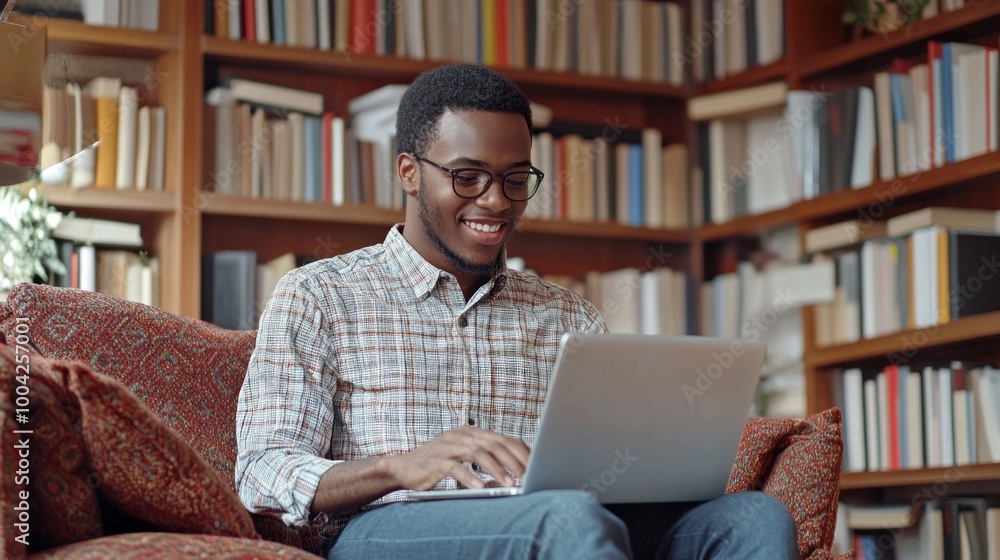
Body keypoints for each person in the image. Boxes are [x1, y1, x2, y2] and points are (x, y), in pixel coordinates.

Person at [235, 63, 798, 560]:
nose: (496, 201)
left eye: (514, 179)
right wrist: (400, 466)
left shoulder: (568, 317)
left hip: (561, 520)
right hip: (385, 528)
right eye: (467, 176)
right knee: (567, 520)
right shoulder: (319, 295)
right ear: (408, 171)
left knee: (753, 517)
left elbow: (606, 472)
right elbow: (260, 471)